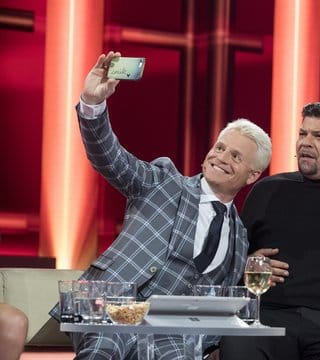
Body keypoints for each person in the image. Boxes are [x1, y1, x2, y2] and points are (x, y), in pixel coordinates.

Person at [48, 51, 272, 360]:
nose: (221, 157)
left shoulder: (240, 238)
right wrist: (92, 102)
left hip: (171, 329)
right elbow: (108, 157)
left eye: (236, 156)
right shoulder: (163, 182)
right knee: (102, 351)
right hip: (110, 306)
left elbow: (221, 302)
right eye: (220, 147)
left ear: (253, 175)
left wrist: (211, 346)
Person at [219, 101, 320, 359]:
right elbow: (230, 259)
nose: (305, 142)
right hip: (269, 314)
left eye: (318, 136)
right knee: (239, 346)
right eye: (303, 133)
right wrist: (248, 265)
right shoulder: (267, 190)